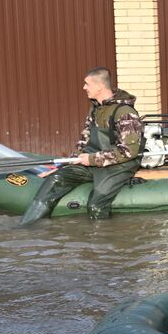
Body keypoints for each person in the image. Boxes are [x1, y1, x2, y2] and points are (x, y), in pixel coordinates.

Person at [19, 67, 143, 224]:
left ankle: (103, 243)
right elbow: (84, 140)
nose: (84, 88)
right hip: (93, 161)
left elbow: (129, 151)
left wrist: (91, 159)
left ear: (99, 86)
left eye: (87, 84)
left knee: (95, 204)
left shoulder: (125, 112)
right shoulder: (95, 108)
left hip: (118, 165)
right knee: (56, 179)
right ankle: (29, 227)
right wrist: (68, 162)